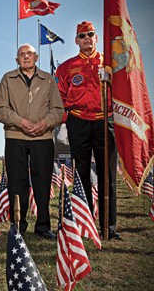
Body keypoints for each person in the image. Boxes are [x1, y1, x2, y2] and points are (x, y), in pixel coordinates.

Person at [55, 21, 120, 240]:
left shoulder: (110, 65)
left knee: (107, 174)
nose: (87, 38)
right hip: (78, 121)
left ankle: (108, 226)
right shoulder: (66, 67)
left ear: (96, 38)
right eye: (82, 35)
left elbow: (122, 93)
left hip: (104, 121)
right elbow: (60, 96)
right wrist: (65, 122)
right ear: (76, 40)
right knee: (81, 173)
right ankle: (85, 223)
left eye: (91, 34)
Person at [0, 43, 64, 240]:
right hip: (15, 136)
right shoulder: (8, 79)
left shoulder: (48, 80)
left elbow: (58, 110)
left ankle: (43, 226)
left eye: (29, 54)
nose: (25, 57)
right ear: (17, 60)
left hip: (42, 138)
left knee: (42, 182)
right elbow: (0, 110)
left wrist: (45, 123)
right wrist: (20, 122)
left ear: (36, 57)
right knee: (17, 182)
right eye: (21, 55)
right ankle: (18, 226)